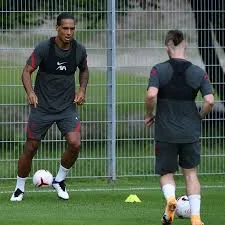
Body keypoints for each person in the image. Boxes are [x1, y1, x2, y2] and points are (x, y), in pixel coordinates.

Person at [10, 12, 89, 201]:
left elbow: (84, 70)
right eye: (65, 28)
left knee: (75, 143)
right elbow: (26, 71)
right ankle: (19, 188)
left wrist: (82, 89)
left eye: (72, 28)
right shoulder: (45, 48)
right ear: (57, 29)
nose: (69, 32)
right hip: (42, 107)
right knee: (31, 147)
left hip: (66, 108)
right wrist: (30, 92)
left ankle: (59, 180)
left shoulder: (79, 50)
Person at [144, 30, 214, 225]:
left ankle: (171, 201)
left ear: (168, 46)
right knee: (190, 173)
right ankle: (196, 218)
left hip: (165, 131)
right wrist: (198, 116)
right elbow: (209, 100)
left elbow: (151, 95)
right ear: (186, 46)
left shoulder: (159, 69)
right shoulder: (198, 72)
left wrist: (149, 114)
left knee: (166, 172)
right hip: (189, 131)